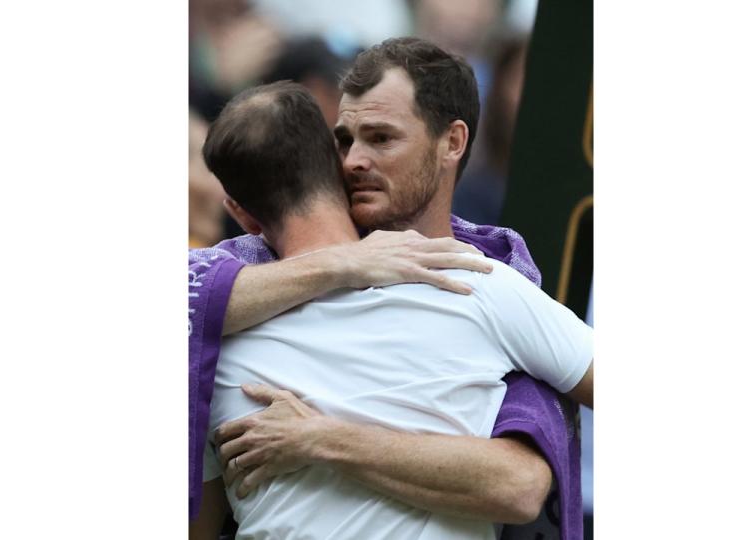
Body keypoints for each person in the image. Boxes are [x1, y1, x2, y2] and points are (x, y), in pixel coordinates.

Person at [188, 37, 587, 540]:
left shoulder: (483, 284)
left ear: (453, 142)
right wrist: (342, 265)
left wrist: (319, 438)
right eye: (344, 140)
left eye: (380, 138)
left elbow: (521, 487)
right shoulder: (223, 315)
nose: (353, 160)